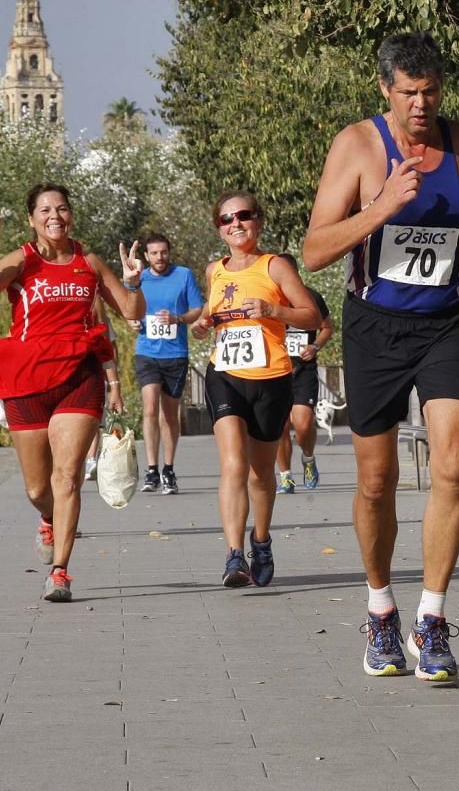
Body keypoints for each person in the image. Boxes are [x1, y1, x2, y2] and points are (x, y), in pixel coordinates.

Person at [303, 31, 459, 683]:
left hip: (445, 322)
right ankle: (380, 604)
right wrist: (379, 207)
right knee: (377, 480)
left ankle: (433, 619)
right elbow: (315, 249)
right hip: (374, 327)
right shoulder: (357, 146)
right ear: (385, 87)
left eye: (431, 91)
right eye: (409, 92)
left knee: (453, 459)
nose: (421, 104)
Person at [0, 183, 144, 602]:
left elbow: (132, 312)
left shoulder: (88, 262)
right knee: (38, 489)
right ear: (32, 218)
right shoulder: (23, 260)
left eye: (62, 208)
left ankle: (60, 572)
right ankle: (47, 516)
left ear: (71, 214)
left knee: (68, 477)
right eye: (45, 210)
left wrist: (134, 282)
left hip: (80, 376)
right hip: (27, 382)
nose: (54, 215)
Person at [191, 191, 321, 589]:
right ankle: (234, 556)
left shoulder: (275, 266)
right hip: (225, 374)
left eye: (243, 216)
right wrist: (201, 324)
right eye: (226, 219)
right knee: (232, 464)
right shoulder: (215, 270)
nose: (235, 224)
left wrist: (274, 311)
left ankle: (260, 540)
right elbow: (209, 315)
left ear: (258, 221)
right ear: (219, 228)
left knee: (261, 474)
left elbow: (312, 314)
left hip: (271, 378)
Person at [130, 233, 205, 494]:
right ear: (146, 256)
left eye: (163, 252)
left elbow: (198, 309)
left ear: (168, 253)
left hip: (175, 354)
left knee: (170, 414)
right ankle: (151, 469)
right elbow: (129, 308)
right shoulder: (139, 279)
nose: (159, 257)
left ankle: (168, 469)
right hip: (147, 352)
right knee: (150, 407)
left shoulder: (183, 275)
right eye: (154, 253)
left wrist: (178, 318)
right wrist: (133, 321)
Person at [273, 253, 334, 493]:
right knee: (279, 426)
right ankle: (285, 476)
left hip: (303, 371)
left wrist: (315, 346)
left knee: (303, 424)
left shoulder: (311, 298)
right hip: (276, 371)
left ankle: (308, 459)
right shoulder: (267, 299)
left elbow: (327, 328)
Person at [84, 295, 125, 482]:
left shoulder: (101, 320)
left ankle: (91, 459)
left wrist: (114, 383)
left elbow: (111, 348)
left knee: (94, 420)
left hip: (96, 374)